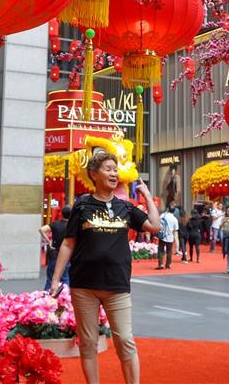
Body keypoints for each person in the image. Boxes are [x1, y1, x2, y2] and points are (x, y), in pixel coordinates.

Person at [50, 151, 161, 384]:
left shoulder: (125, 208)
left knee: (125, 340)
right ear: (94, 174)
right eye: (108, 169)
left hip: (116, 284)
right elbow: (68, 244)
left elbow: (154, 226)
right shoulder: (82, 206)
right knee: (88, 342)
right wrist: (55, 279)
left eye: (115, 169)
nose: (114, 173)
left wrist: (147, 196)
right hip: (84, 286)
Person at [40, 204, 71, 290]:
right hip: (66, 255)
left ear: (62, 213)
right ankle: (64, 296)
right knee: (65, 278)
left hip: (54, 253)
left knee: (50, 279)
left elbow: (42, 229)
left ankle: (47, 296)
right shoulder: (72, 226)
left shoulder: (55, 224)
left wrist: (48, 241)